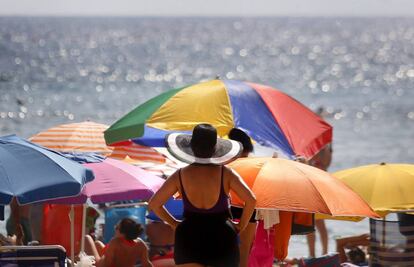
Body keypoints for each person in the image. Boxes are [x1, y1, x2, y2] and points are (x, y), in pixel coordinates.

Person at [148, 123, 256, 267]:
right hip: (222, 236)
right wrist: (240, 226)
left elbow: (154, 204)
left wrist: (174, 223)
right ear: (215, 148)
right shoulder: (226, 173)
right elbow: (251, 200)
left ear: (191, 147)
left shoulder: (180, 175)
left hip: (189, 236)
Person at [228, 127, 257, 267]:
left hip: (230, 208)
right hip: (249, 210)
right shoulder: (254, 164)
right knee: (244, 251)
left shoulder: (227, 164)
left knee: (229, 252)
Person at [85, 217, 153, 267]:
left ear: (123, 233)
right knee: (97, 244)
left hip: (101, 265)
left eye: (116, 227)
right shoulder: (140, 243)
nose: (114, 229)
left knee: (87, 238)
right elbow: (147, 264)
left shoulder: (115, 243)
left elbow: (106, 264)